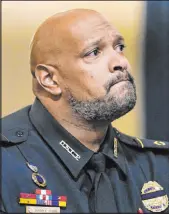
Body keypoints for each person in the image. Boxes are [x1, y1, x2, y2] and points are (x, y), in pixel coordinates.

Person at [1, 9, 169, 213]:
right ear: (50, 80)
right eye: (94, 52)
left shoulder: (157, 165)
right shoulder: (6, 162)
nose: (120, 62)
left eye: (119, 47)